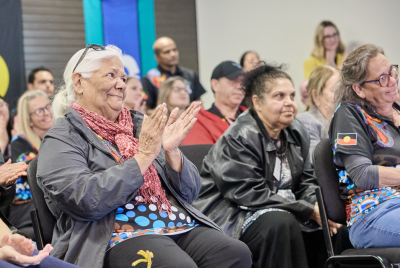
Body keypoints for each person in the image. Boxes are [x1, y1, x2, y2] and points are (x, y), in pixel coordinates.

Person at [37, 44, 252, 268]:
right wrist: (143, 157)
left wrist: (171, 153)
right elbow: (83, 200)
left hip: (173, 221)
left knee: (235, 253)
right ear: (79, 82)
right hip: (114, 234)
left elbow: (190, 193)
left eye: (123, 77)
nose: (121, 85)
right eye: (111, 75)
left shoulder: (138, 125)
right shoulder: (61, 137)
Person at [192, 64, 341, 268]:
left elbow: (307, 181)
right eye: (279, 96)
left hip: (282, 208)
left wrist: (317, 208)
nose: (289, 103)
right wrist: (305, 210)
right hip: (233, 214)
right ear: (257, 102)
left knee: (331, 223)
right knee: (281, 223)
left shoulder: (297, 131)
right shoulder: (240, 135)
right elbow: (247, 193)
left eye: (292, 95)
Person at [329, 44, 400, 249]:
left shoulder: (397, 111)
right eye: (382, 78)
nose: (393, 80)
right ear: (359, 88)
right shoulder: (349, 114)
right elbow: (362, 174)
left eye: (392, 71)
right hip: (374, 212)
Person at [7, 90, 55, 240]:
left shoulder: (62, 135)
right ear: (29, 120)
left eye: (48, 106)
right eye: (39, 110)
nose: (47, 112)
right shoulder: (19, 143)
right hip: (29, 210)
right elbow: (38, 169)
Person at [181, 61, 246, 145]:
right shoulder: (199, 122)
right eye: (233, 81)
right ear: (215, 85)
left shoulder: (254, 117)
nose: (240, 86)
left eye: (243, 82)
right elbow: (199, 156)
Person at [142, 37, 206, 113]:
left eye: (174, 50)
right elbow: (146, 109)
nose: (173, 54)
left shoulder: (190, 75)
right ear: (157, 57)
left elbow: (199, 103)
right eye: (167, 52)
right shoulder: (151, 77)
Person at [297, 66, 340, 159]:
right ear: (316, 96)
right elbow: (317, 163)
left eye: (343, 90)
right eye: (335, 90)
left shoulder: (344, 121)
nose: (342, 95)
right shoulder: (306, 121)